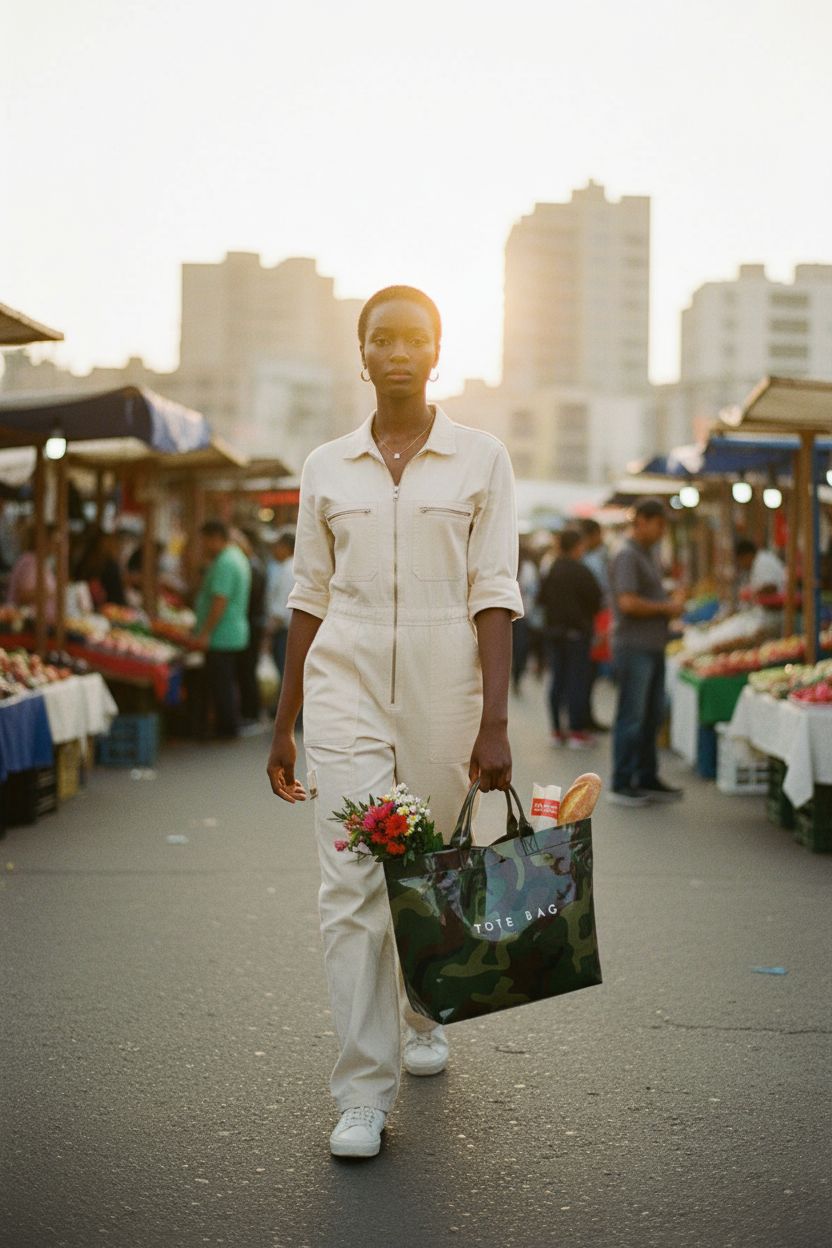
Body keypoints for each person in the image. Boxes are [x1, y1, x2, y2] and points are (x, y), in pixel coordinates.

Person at [266, 285, 522, 1160]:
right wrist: (284, 720)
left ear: (438, 352)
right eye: (385, 339)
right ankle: (361, 1094)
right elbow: (309, 594)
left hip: (448, 683)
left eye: (416, 338)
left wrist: (495, 722)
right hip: (346, 684)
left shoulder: (481, 458)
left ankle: (423, 1009)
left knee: (432, 866)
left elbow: (494, 593)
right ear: (363, 353)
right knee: (351, 884)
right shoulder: (326, 466)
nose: (401, 352)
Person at [608, 497, 686, 807]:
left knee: (651, 715)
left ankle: (646, 775)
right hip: (635, 647)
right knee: (633, 715)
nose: (662, 532)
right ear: (641, 521)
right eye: (659, 525)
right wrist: (668, 606)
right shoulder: (627, 554)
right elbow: (627, 602)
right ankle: (622, 781)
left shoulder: (645, 553)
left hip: (651, 646)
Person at [538, 528, 601, 748]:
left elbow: (541, 599)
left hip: (554, 633)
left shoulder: (552, 569)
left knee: (557, 680)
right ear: (577, 546)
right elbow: (597, 599)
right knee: (577, 681)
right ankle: (576, 731)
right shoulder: (581, 570)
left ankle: (556, 730)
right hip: (577, 634)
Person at [194, 519, 251, 739]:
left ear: (215, 538)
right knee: (225, 681)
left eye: (205, 540)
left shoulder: (225, 562)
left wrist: (206, 632)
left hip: (222, 633)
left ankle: (227, 728)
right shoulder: (236, 557)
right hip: (232, 631)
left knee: (222, 683)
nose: (204, 546)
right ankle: (227, 725)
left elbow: (220, 600)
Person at [233, 527, 268, 730]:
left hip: (253, 623)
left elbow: (251, 600)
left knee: (247, 670)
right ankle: (250, 712)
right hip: (252, 622)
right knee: (247, 670)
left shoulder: (252, 567)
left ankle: (251, 713)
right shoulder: (252, 565)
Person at [579, 517, 611, 732]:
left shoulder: (595, 559)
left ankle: (585, 717)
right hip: (594, 620)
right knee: (587, 673)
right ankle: (584, 718)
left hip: (597, 620)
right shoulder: (593, 559)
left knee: (589, 673)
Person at [7, 522, 58, 622]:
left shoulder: (40, 561)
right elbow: (24, 596)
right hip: (30, 625)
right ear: (45, 541)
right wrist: (50, 592)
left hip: (41, 623)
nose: (56, 545)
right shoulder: (30, 562)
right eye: (54, 540)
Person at [266, 529, 295, 685]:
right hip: (288, 630)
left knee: (285, 676)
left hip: (285, 632)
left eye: (277, 546)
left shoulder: (288, 569)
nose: (274, 550)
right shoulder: (292, 567)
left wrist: (267, 637)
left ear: (285, 547)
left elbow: (280, 609)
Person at [73, 527, 127, 608]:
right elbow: (118, 596)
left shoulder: (86, 560)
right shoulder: (110, 565)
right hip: (107, 607)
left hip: (88, 605)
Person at [512, 538, 539, 694]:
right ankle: (516, 678)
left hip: (505, 614)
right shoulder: (529, 568)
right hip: (523, 614)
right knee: (520, 649)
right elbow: (534, 591)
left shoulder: (509, 565)